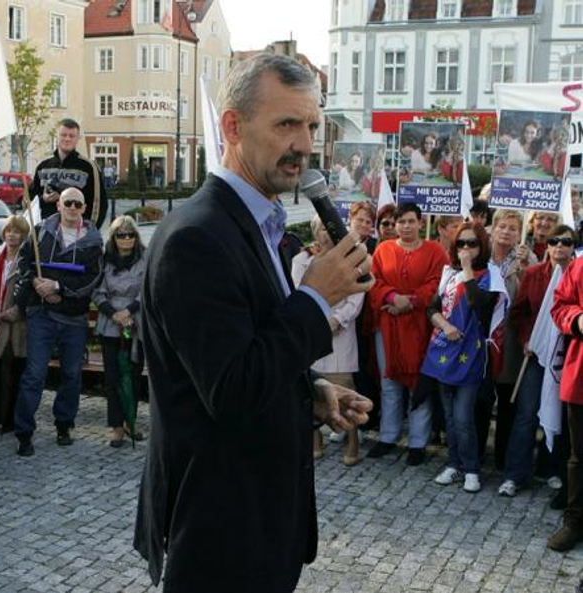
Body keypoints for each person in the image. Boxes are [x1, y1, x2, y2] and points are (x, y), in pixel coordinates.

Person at [133, 53, 373, 592]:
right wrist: (315, 298)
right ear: (233, 127)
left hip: (264, 523)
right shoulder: (197, 237)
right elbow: (232, 389)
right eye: (287, 124)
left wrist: (308, 390)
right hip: (222, 534)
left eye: (311, 125)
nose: (305, 145)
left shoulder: (257, 223)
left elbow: (248, 348)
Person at [13, 188, 104, 456]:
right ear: (59, 205)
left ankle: (64, 424)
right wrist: (36, 283)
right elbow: (24, 262)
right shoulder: (40, 230)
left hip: (74, 318)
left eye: (77, 203)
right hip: (41, 314)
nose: (72, 208)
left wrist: (58, 286)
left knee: (71, 375)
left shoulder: (93, 242)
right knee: (35, 373)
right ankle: (24, 432)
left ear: (84, 207)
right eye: (68, 203)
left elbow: (91, 279)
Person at [367, 202, 449, 465]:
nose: (405, 227)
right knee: (389, 384)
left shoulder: (435, 251)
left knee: (418, 384)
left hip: (420, 326)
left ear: (420, 222)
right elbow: (374, 282)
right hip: (388, 324)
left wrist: (411, 301)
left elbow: (437, 284)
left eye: (410, 221)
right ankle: (388, 436)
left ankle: (417, 442)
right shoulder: (383, 249)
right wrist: (392, 296)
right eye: (400, 222)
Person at [501, 225, 577, 499]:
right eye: (554, 241)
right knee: (526, 414)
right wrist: (526, 340)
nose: (559, 246)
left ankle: (554, 470)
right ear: (547, 245)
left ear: (573, 247)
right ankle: (514, 474)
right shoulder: (533, 275)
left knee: (563, 416)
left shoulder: (578, 276)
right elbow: (518, 313)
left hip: (566, 359)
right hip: (535, 357)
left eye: (566, 241)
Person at [423, 223, 499, 493]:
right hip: (446, 350)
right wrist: (444, 325)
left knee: (464, 415)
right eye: (461, 244)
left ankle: (471, 469)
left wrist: (467, 270)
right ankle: (454, 463)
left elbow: (478, 303)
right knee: (450, 416)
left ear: (482, 246)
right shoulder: (449, 274)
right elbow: (431, 307)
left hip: (472, 355)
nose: (466, 249)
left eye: (472, 243)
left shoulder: (491, 275)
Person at [292, 216, 366, 466]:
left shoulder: (351, 260)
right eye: (321, 227)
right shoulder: (302, 260)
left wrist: (335, 321)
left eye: (329, 228)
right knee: (311, 388)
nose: (325, 232)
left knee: (346, 388)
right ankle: (316, 440)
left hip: (341, 334)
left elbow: (356, 298)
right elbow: (295, 294)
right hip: (310, 334)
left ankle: (352, 440)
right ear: (314, 231)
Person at [478, 210, 536, 469]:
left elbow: (534, 297)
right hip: (483, 336)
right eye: (502, 226)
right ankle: (476, 453)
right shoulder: (482, 254)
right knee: (480, 398)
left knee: (507, 400)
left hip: (511, 338)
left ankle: (503, 457)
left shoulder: (527, 259)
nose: (506, 232)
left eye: (513, 228)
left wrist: (525, 270)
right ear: (493, 227)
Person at [93, 215, 146, 448]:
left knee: (133, 376)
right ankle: (116, 425)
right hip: (110, 322)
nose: (126, 239)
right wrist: (113, 313)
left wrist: (129, 311)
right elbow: (97, 291)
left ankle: (130, 422)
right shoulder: (105, 261)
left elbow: (148, 289)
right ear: (114, 237)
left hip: (135, 323)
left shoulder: (145, 258)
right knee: (113, 377)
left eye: (130, 234)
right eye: (121, 235)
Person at [547, 247, 583, 551]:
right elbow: (560, 305)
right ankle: (574, 521)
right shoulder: (581, 266)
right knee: (579, 456)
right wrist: (578, 320)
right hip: (582, 374)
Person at [0, 216, 30, 434]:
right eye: (9, 230)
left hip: (14, 326)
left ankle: (10, 419)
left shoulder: (27, 260)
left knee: (12, 374)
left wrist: (11, 314)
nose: (12, 235)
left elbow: (28, 293)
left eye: (17, 231)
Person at [28, 118, 108, 229]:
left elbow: (99, 204)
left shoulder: (89, 167)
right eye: (63, 135)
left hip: (78, 232)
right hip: (47, 232)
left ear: (77, 139)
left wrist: (91, 231)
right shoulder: (43, 166)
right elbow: (30, 201)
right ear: (57, 137)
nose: (67, 139)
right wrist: (44, 199)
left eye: (71, 136)